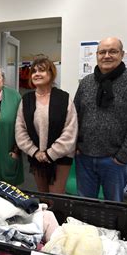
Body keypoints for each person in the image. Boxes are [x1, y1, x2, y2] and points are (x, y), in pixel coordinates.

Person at [74, 37, 127, 202]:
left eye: (112, 51)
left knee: (114, 207)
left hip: (114, 161)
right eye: (102, 52)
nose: (106, 55)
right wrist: (75, 147)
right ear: (97, 55)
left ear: (122, 54)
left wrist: (122, 156)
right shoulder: (86, 83)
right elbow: (74, 116)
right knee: (85, 205)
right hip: (84, 157)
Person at [15, 56, 78, 194]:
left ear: (51, 74)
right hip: (36, 157)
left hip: (61, 157)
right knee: (42, 195)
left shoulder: (64, 98)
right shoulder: (26, 100)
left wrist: (50, 154)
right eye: (34, 71)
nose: (37, 74)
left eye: (42, 70)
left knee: (56, 197)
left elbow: (70, 130)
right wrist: (35, 152)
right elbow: (20, 130)